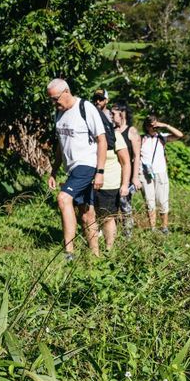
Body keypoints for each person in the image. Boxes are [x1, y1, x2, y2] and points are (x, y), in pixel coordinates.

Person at [45, 79, 107, 260]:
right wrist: (54, 171)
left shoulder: (85, 108)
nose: (54, 103)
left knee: (63, 198)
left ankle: (68, 253)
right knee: (87, 214)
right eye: (50, 100)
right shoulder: (59, 114)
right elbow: (60, 146)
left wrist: (100, 172)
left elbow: (101, 139)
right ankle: (96, 256)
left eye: (56, 98)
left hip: (87, 164)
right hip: (71, 169)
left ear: (66, 91)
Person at [139, 114, 184, 233]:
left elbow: (179, 135)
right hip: (145, 173)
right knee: (149, 201)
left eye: (155, 124)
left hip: (160, 172)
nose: (153, 127)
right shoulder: (141, 139)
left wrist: (165, 125)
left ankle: (164, 227)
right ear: (146, 126)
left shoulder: (162, 138)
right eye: (150, 125)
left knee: (162, 200)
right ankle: (153, 228)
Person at [93, 115, 130, 254]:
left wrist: (125, 184)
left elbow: (126, 162)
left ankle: (109, 250)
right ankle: (94, 250)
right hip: (90, 182)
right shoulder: (89, 137)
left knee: (107, 217)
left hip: (109, 183)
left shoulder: (115, 136)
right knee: (91, 216)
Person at [111, 102, 143, 235]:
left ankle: (127, 236)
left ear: (122, 114)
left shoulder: (131, 131)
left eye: (113, 114)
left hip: (127, 175)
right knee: (112, 207)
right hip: (112, 175)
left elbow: (136, 156)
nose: (111, 117)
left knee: (125, 207)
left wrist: (135, 177)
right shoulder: (111, 131)